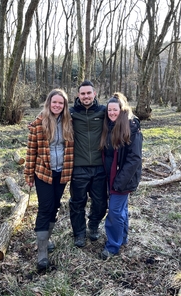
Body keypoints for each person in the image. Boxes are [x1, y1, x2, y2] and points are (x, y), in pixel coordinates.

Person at [24, 89, 74, 270]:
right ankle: (42, 253)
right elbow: (31, 152)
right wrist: (29, 174)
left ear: (64, 105)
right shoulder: (39, 123)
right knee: (45, 207)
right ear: (49, 103)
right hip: (43, 172)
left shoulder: (70, 122)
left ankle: (46, 238)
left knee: (55, 206)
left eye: (61, 103)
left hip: (63, 171)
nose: (57, 106)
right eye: (55, 102)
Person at [98, 92, 143, 260]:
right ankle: (122, 238)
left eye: (114, 110)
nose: (111, 113)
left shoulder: (131, 127)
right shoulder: (108, 125)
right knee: (122, 209)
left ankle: (112, 246)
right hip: (111, 175)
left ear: (121, 109)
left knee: (115, 212)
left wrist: (119, 181)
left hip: (123, 178)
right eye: (109, 110)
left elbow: (135, 158)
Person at [69, 80, 108, 247]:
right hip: (78, 166)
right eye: (82, 93)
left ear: (94, 94)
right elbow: (50, 115)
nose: (86, 96)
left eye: (88, 93)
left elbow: (122, 116)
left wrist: (135, 122)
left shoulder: (103, 111)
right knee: (77, 202)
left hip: (100, 166)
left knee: (100, 202)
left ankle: (93, 225)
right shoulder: (70, 112)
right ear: (78, 95)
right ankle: (79, 233)